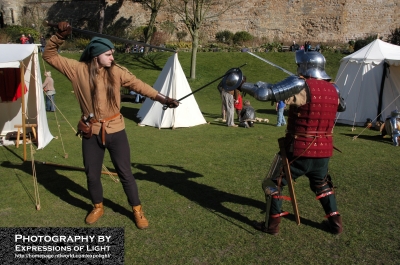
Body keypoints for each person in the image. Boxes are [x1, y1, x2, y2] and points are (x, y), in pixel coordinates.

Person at [43, 22, 179, 229]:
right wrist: (59, 36)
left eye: (112, 54)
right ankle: (98, 206)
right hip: (91, 131)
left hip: (116, 129)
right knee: (92, 173)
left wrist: (163, 98)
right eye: (108, 54)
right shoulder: (77, 70)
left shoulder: (116, 72)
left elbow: (138, 85)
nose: (112, 58)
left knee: (125, 173)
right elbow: (50, 56)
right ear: (96, 55)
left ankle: (137, 210)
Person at [228, 50, 346, 235]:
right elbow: (342, 106)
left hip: (299, 149)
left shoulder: (300, 84)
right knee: (322, 185)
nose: (297, 68)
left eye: (299, 65)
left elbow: (265, 93)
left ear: (304, 67)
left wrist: (241, 85)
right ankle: (336, 224)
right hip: (324, 150)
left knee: (273, 183)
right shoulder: (334, 88)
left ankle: (271, 226)